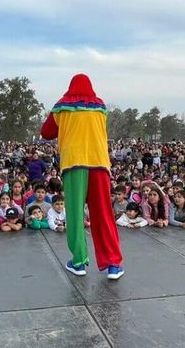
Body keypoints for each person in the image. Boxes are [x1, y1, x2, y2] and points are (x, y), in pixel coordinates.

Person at [41, 74, 124, 279]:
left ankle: (78, 262)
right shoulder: (101, 106)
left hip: (74, 164)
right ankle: (113, 263)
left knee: (76, 214)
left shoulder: (62, 106)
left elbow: (46, 132)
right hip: (99, 164)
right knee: (103, 213)